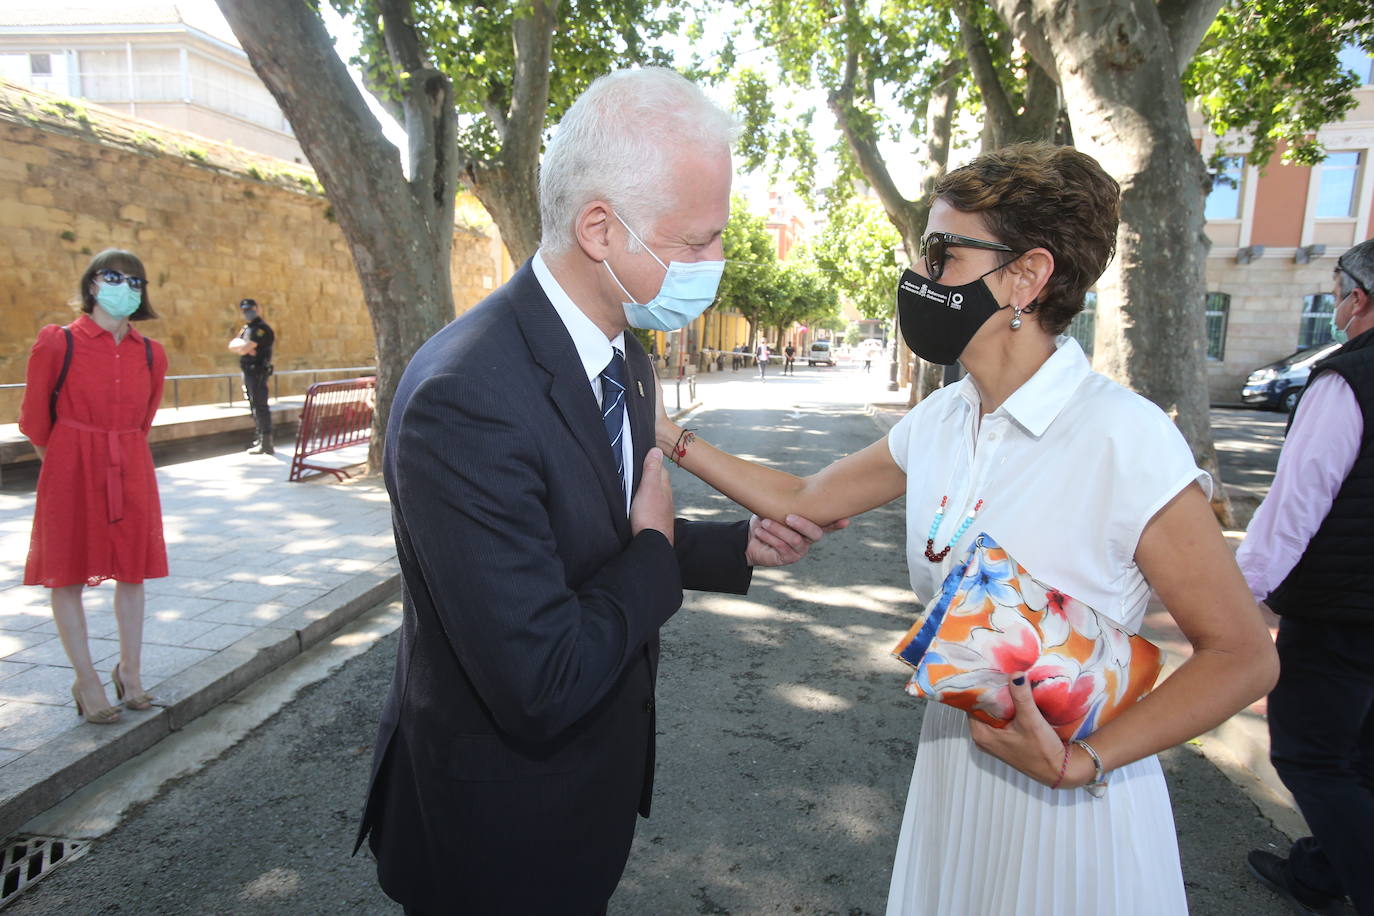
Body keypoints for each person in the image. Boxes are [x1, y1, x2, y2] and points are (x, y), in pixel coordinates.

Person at [654, 142, 1279, 915]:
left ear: (1027, 274)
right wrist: (665, 433)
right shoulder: (945, 419)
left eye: (943, 253)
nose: (920, 277)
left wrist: (1081, 761)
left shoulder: (1125, 438)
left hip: (1071, 813)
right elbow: (802, 495)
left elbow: (1244, 658)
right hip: (956, 775)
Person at [353, 67, 842, 916]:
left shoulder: (624, 347)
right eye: (695, 243)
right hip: (498, 838)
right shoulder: (465, 397)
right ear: (600, 229)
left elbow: (589, 539)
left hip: (586, 804)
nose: (715, 263)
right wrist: (656, 551)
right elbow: (540, 676)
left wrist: (731, 545)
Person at [1237, 238, 1374, 916]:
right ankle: (1321, 872)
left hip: (1341, 610)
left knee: (1312, 756)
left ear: (1359, 298)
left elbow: (1298, 502)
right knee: (1362, 754)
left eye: (1339, 288)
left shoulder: (1347, 378)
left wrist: (1243, 593)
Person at [20, 248, 168, 724]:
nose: (123, 287)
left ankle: (131, 671)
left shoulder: (151, 353)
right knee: (65, 574)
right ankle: (86, 680)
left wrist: (113, 452)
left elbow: (143, 420)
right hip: (69, 465)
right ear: (91, 284)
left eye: (134, 280)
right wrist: (67, 462)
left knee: (133, 571)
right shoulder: (56, 343)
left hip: (129, 462)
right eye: (112, 276)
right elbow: (34, 422)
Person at [227, 297, 274, 455]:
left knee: (260, 406)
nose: (248, 313)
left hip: (258, 372)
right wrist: (243, 347)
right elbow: (233, 346)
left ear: (257, 308)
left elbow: (246, 347)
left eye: (251, 309)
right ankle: (260, 438)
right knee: (254, 406)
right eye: (245, 310)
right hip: (248, 371)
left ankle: (266, 442)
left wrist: (243, 347)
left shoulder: (261, 329)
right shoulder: (247, 328)